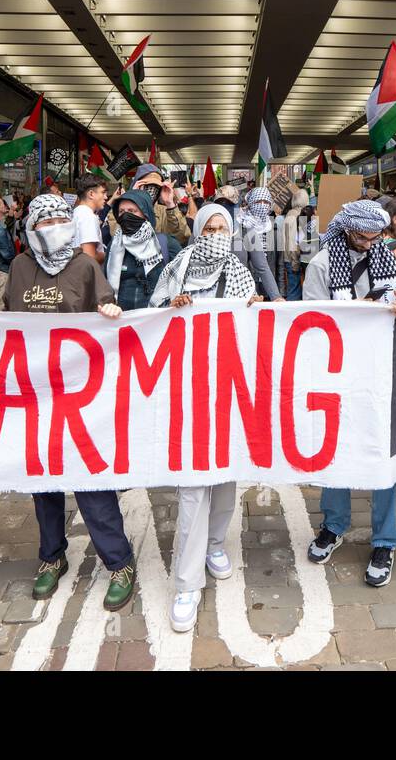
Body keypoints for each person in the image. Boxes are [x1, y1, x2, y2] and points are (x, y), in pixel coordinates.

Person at [0, 194, 137, 611]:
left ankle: (119, 561)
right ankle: (51, 556)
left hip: (80, 394)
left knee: (92, 482)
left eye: (62, 217)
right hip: (35, 392)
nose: (56, 225)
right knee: (43, 482)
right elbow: (3, 319)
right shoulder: (19, 267)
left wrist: (109, 310)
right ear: (31, 227)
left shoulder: (85, 266)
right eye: (46, 220)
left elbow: (104, 308)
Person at [147, 204, 260, 629]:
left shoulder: (239, 271)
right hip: (186, 392)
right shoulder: (177, 267)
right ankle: (186, 583)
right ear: (196, 230)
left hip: (227, 391)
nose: (215, 233)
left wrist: (254, 308)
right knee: (194, 489)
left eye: (222, 228)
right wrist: (169, 308)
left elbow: (250, 327)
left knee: (226, 478)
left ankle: (215, 544)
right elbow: (151, 318)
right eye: (208, 227)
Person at [303, 200, 396, 587]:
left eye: (375, 239)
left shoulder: (387, 258)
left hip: (382, 371)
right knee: (335, 450)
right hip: (338, 374)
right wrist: (352, 312)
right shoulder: (322, 264)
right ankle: (333, 526)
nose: (368, 244)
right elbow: (310, 318)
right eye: (360, 238)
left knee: (382, 454)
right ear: (344, 232)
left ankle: (385, 541)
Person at [106, 189, 182, 310]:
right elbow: (104, 286)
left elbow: (182, 280)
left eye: (132, 211)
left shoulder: (166, 244)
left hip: (158, 321)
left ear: (145, 213)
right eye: (121, 211)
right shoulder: (114, 246)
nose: (126, 215)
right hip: (122, 321)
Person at [118, 163, 191, 245]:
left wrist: (170, 204)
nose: (152, 191)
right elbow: (117, 235)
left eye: (156, 187)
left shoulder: (164, 212)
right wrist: (134, 201)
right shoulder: (120, 209)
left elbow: (182, 236)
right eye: (147, 186)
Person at [236, 186, 283, 301]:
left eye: (266, 202)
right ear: (251, 203)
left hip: (269, 289)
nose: (262, 205)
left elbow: (280, 264)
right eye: (258, 201)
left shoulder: (274, 229)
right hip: (246, 289)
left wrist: (280, 293)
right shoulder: (241, 227)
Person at [72, 175, 109, 264]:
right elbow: (89, 257)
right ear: (91, 194)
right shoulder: (88, 217)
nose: (106, 197)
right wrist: (109, 254)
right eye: (103, 192)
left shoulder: (77, 212)